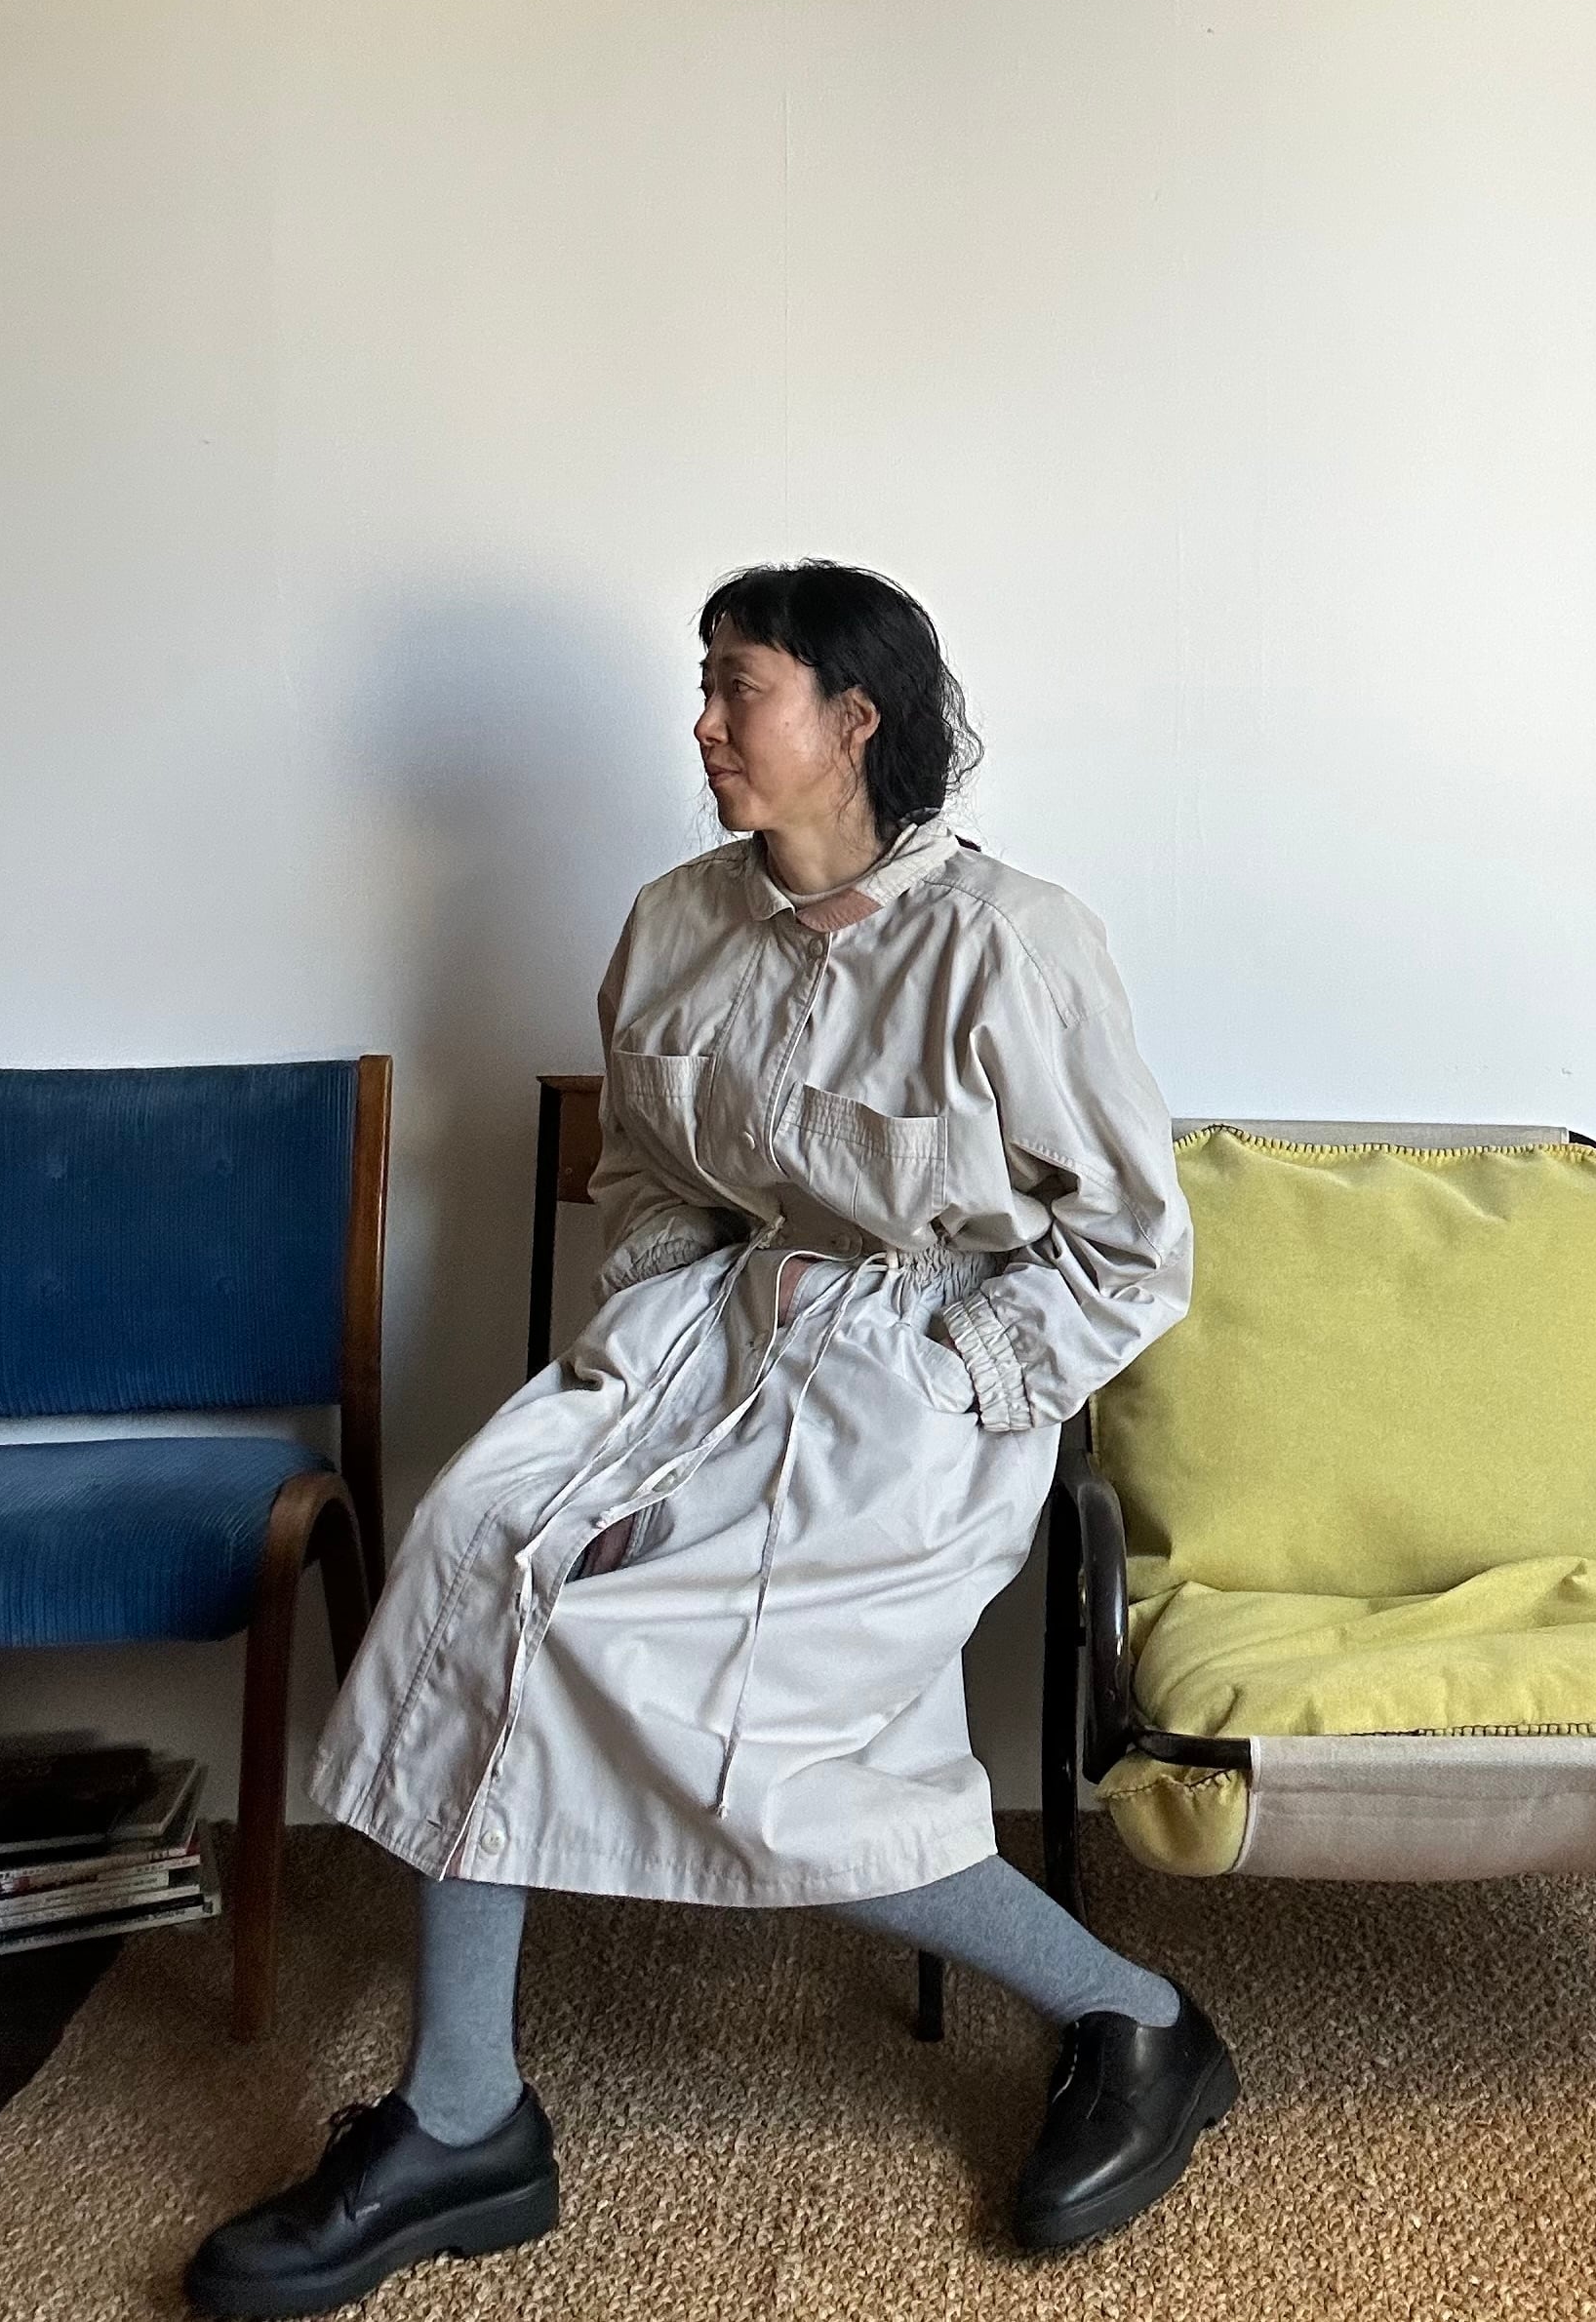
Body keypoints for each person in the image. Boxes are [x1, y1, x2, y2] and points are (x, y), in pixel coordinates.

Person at [183, 558, 1238, 2317]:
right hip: (695, 1351)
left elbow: (1131, 1250)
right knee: (477, 1563)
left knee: (744, 1733)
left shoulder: (1012, 943)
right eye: (707, 685)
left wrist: (952, 1378)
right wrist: (645, 1384)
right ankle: (463, 2120)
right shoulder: (675, 923)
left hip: (919, 1393)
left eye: (736, 687)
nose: (702, 724)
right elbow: (653, 1184)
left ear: (855, 719)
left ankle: (1133, 2017)